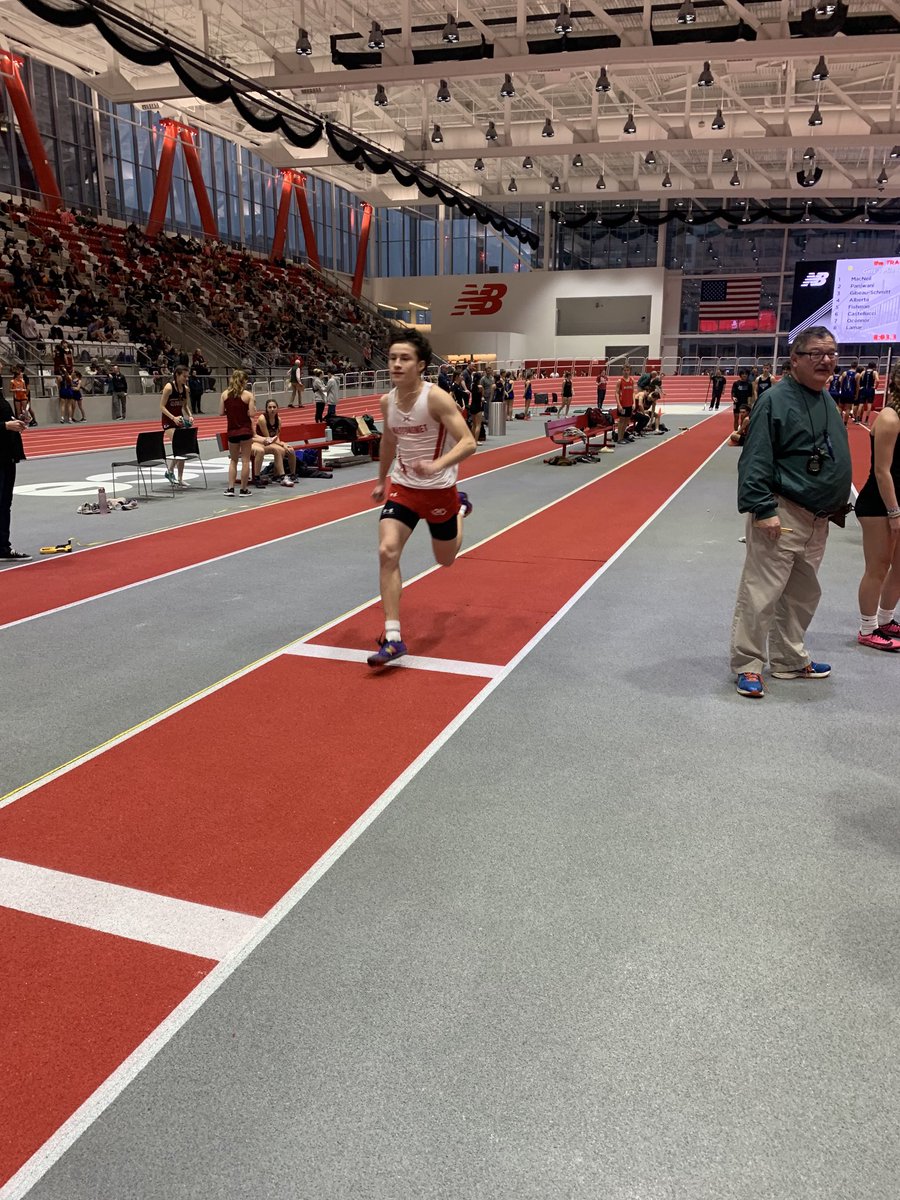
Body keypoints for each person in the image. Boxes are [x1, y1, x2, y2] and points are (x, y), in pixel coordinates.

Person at [729, 325, 852, 698]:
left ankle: (788, 659)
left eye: (831, 353)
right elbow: (755, 459)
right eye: (816, 353)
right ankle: (748, 664)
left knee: (802, 593)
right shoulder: (775, 400)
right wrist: (764, 509)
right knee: (761, 592)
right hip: (782, 513)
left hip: (819, 517)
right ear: (795, 359)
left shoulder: (825, 399)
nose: (826, 360)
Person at [368, 329, 477, 668]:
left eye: (405, 359)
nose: (396, 364)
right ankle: (393, 638)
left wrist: (437, 466)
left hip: (439, 489)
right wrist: (381, 481)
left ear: (421, 365)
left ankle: (458, 508)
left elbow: (468, 442)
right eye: (392, 358)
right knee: (387, 552)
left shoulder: (435, 398)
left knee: (445, 559)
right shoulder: (388, 402)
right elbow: (388, 442)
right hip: (403, 487)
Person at [854, 365, 900, 651]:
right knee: (878, 566)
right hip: (878, 504)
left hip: (897, 501)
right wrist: (894, 512)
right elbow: (883, 471)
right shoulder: (889, 418)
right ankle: (867, 627)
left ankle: (886, 619)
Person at [0, 389, 28, 560]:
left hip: (7, 455)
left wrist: (17, 422)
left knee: (4, 503)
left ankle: (3, 546)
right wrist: (5, 426)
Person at [219, 369, 256, 496]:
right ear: (244, 381)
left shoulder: (225, 394)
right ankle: (243, 489)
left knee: (233, 460)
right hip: (245, 430)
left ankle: (230, 488)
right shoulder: (248, 395)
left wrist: (231, 411)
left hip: (232, 431)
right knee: (245, 460)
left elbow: (221, 412)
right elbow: (252, 414)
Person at [160, 366, 193, 487]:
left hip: (179, 421)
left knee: (182, 450)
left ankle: (179, 478)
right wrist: (173, 417)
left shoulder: (186, 389)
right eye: (184, 376)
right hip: (168, 421)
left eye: (187, 376)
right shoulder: (169, 388)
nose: (186, 378)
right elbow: (161, 406)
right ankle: (169, 471)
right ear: (177, 375)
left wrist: (190, 416)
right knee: (180, 446)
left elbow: (185, 406)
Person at [253, 399, 296, 487]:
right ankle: (282, 476)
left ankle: (292, 475)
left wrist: (284, 444)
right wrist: (282, 444)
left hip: (271, 442)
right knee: (279, 449)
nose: (272, 409)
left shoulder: (278, 420)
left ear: (277, 408)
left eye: (274, 407)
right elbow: (268, 438)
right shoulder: (262, 419)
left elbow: (276, 437)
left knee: (290, 450)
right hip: (261, 442)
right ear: (266, 409)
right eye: (270, 407)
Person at [615, 366, 635, 444]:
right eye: (624, 370)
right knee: (621, 421)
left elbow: (633, 392)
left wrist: (633, 403)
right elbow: (616, 393)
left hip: (629, 404)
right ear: (622, 371)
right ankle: (619, 438)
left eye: (628, 370)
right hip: (622, 404)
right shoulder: (620, 381)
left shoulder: (632, 380)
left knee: (626, 421)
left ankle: (622, 437)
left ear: (630, 371)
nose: (626, 372)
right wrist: (619, 405)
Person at [856, 361, 879, 426]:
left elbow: (858, 378)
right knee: (869, 405)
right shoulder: (874, 372)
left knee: (861, 404)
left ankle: (857, 420)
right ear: (874, 367)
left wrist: (860, 386)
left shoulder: (863, 372)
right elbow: (877, 380)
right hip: (870, 390)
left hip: (863, 389)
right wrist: (875, 387)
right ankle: (866, 420)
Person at [730, 368, 753, 432]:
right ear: (740, 375)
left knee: (744, 419)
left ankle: (743, 432)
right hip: (737, 403)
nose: (744, 375)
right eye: (743, 374)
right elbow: (733, 393)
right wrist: (733, 398)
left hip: (744, 404)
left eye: (746, 374)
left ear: (747, 375)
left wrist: (749, 404)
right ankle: (735, 431)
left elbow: (750, 395)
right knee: (736, 417)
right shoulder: (736, 383)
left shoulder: (749, 384)